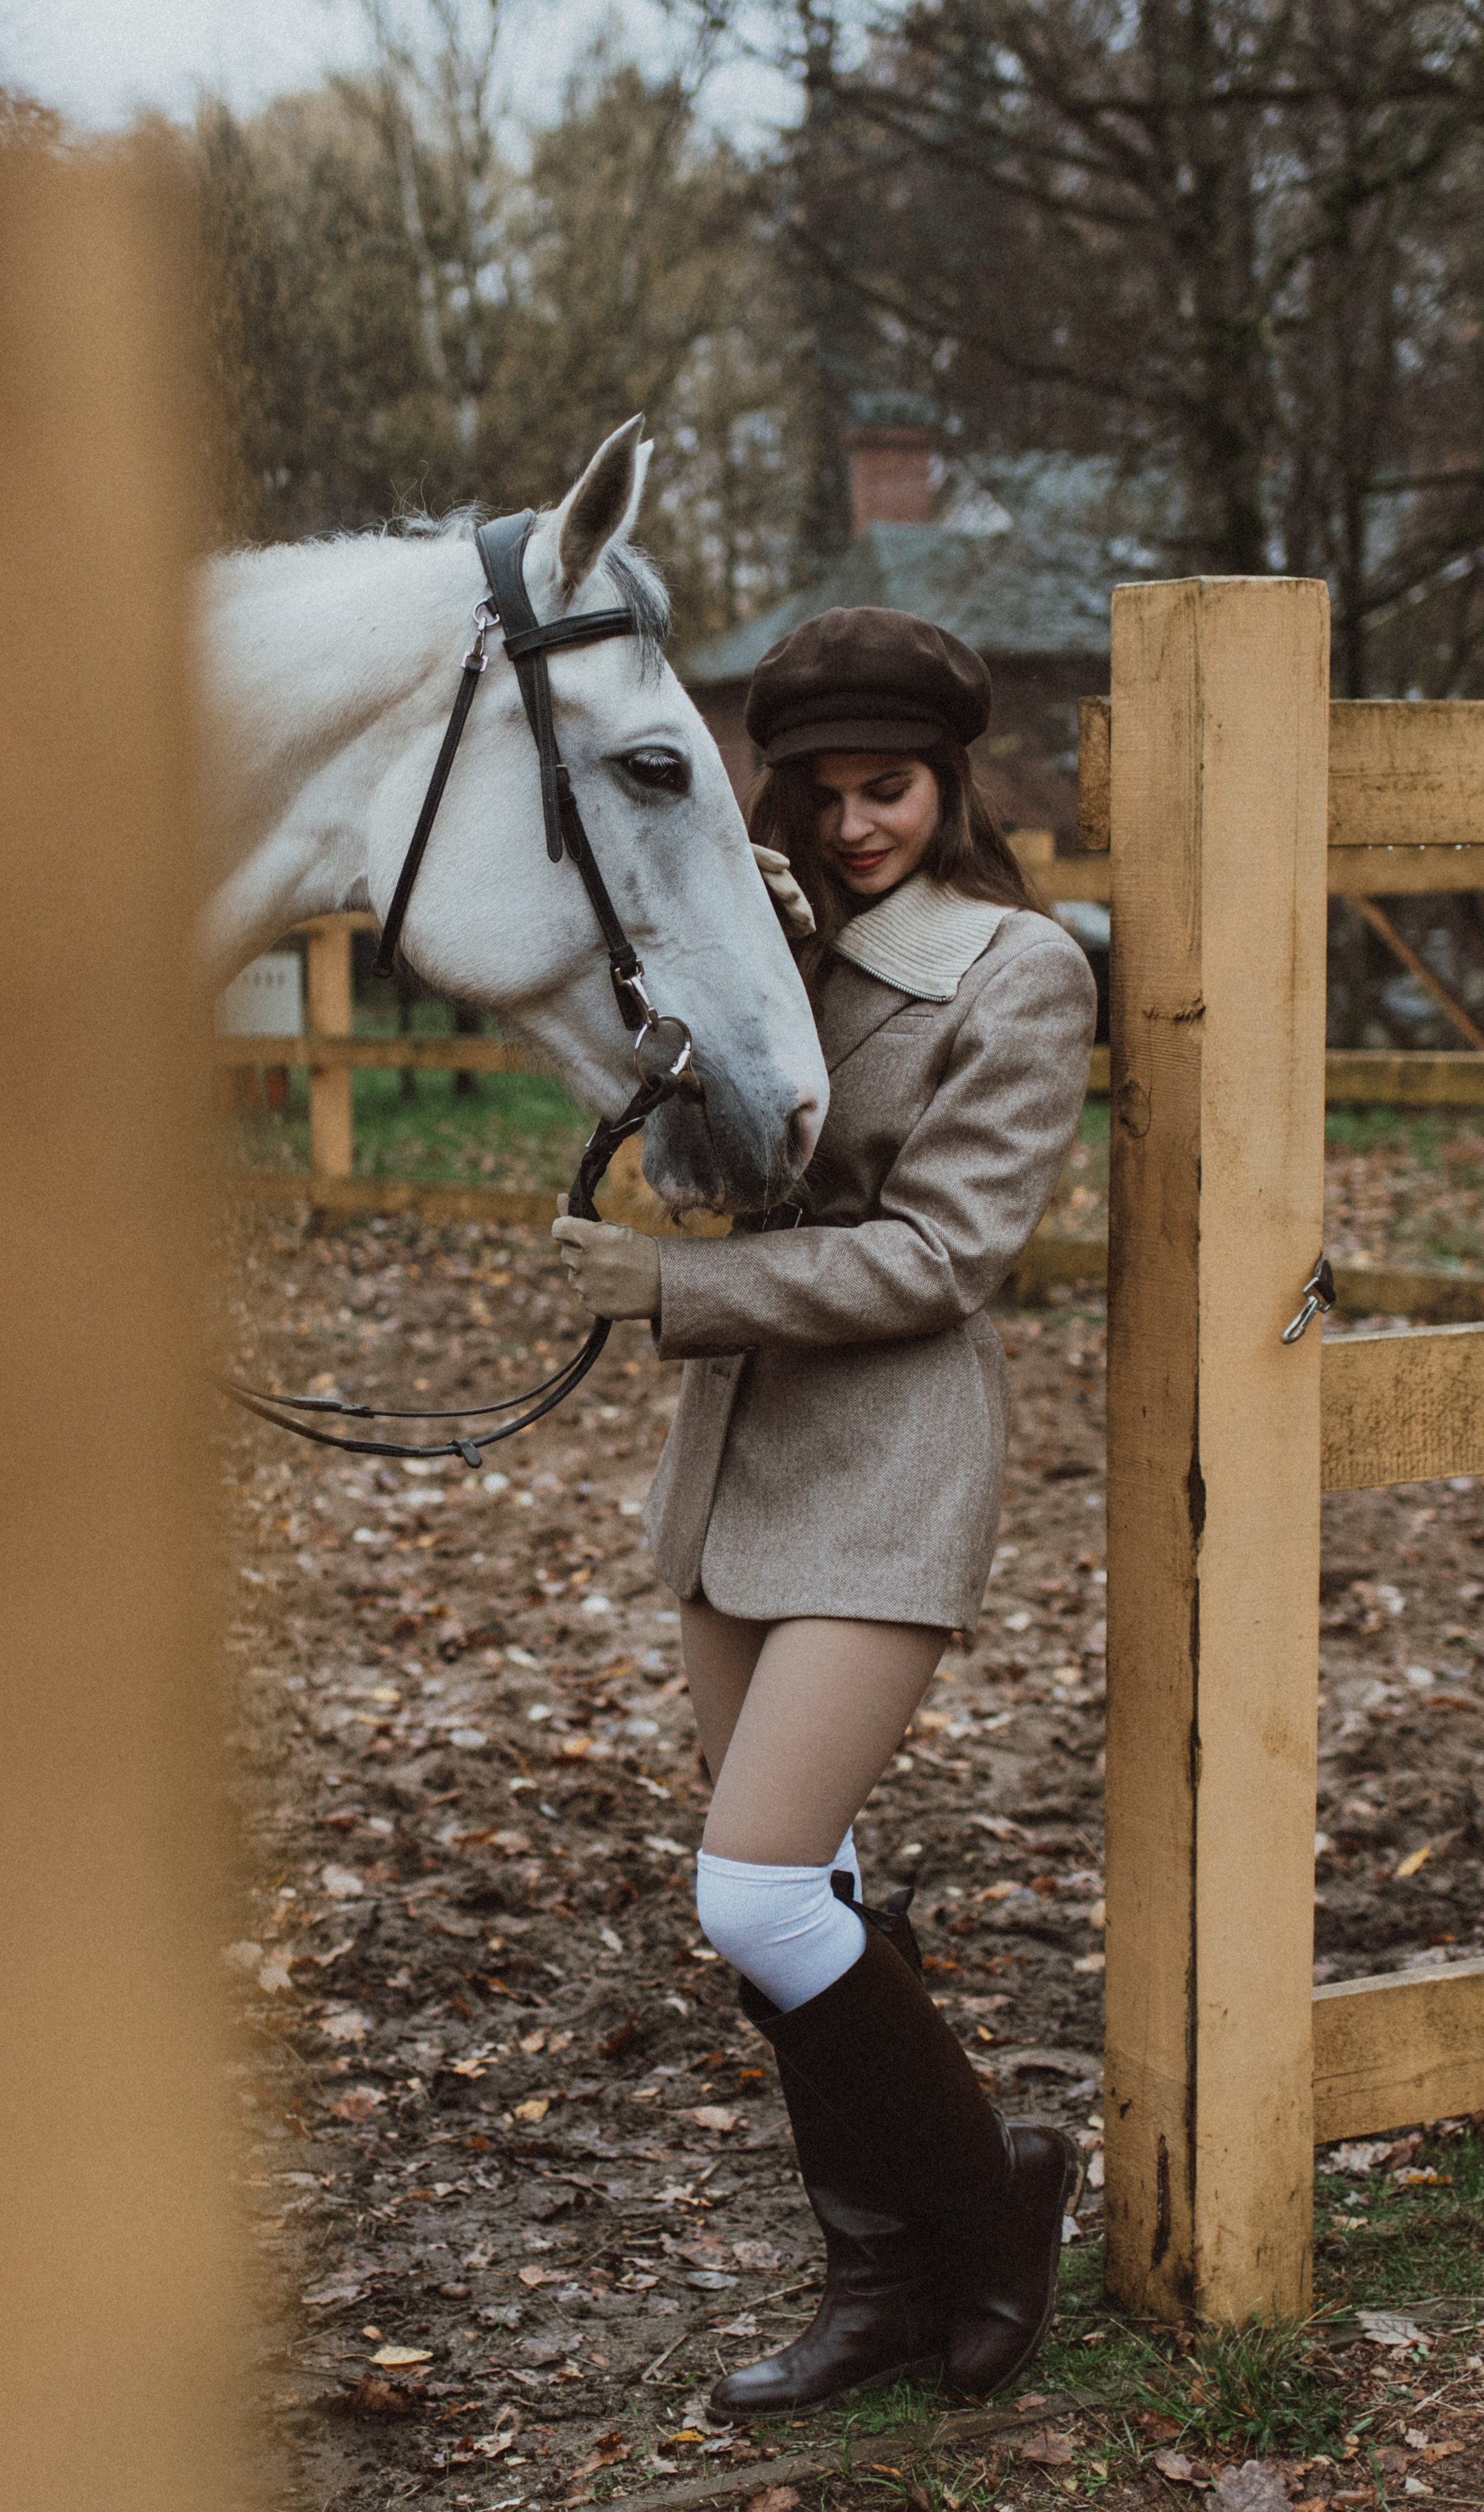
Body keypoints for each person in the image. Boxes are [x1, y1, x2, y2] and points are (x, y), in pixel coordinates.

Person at [551, 607, 1097, 2416]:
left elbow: (948, 1255)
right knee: (816, 1901)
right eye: (825, 791)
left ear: (951, 788)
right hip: (740, 1459)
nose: (858, 822)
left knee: (758, 1889)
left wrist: (669, 1290)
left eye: (893, 788)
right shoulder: (762, 943)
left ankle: (996, 2197)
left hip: (889, 1456)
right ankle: (879, 2278)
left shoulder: (1019, 969)